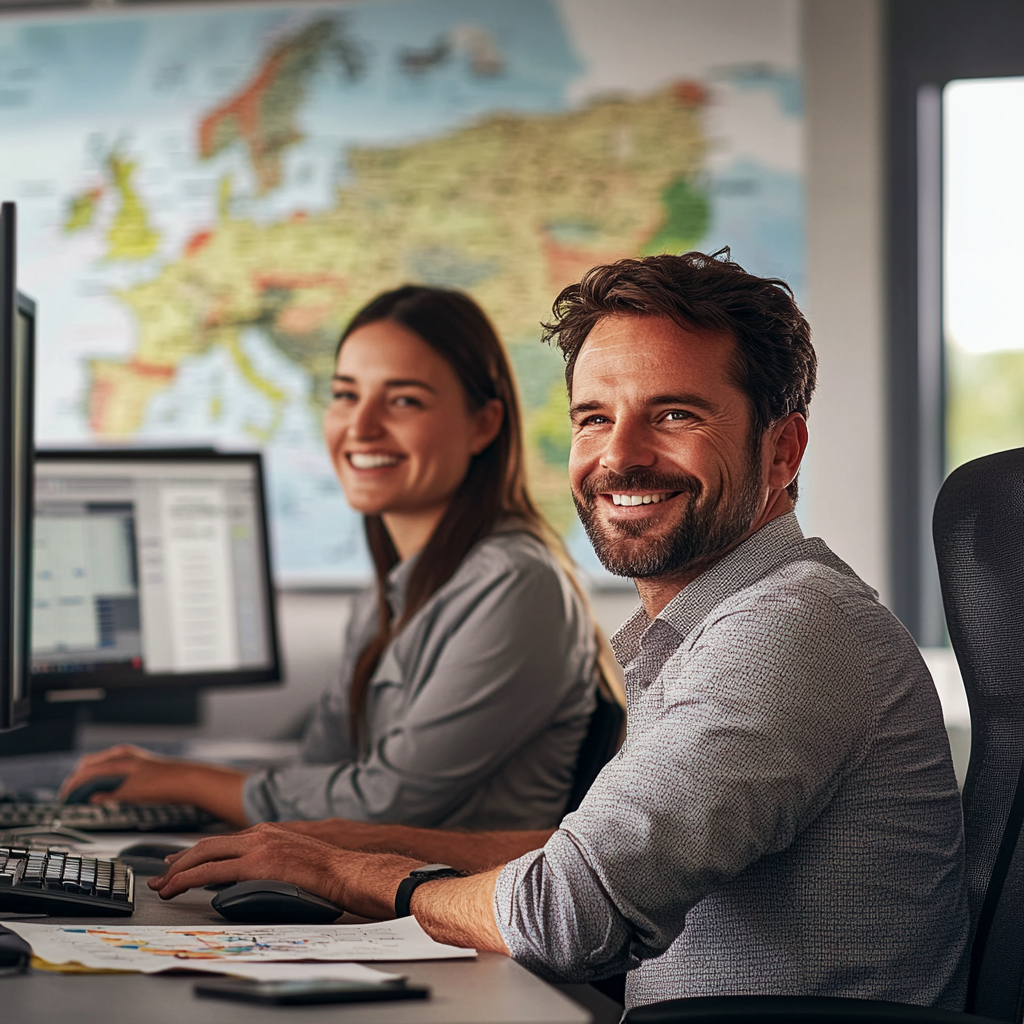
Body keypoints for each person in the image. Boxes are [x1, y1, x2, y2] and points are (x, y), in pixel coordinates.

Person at [148, 253, 970, 1013]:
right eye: (593, 418)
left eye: (674, 414)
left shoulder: (787, 633)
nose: (620, 457)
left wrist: (348, 871)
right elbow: (587, 853)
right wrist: (345, 840)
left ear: (782, 449)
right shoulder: (704, 625)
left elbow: (571, 914)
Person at [61, 285, 604, 832]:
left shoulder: (516, 583)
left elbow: (382, 802)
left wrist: (186, 780)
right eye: (345, 395)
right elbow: (320, 770)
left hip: (438, 908)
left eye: (403, 401)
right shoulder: (390, 592)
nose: (360, 427)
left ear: (483, 424)